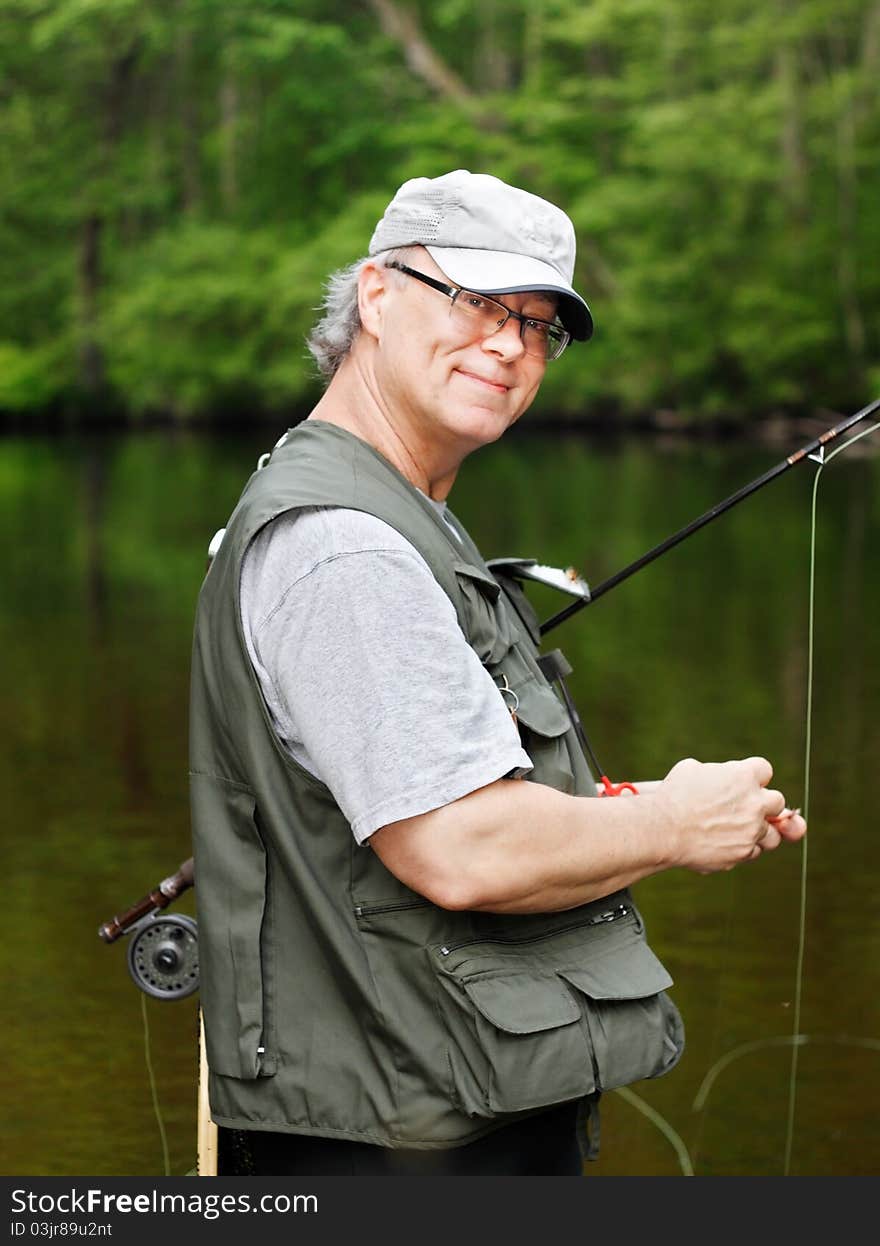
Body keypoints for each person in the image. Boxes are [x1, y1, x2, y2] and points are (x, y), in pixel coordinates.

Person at [188, 169, 806, 1177]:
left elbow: (443, 801)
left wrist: (668, 800)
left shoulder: (399, 514)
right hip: (391, 1150)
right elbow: (460, 848)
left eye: (537, 325)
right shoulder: (350, 550)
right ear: (378, 298)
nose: (511, 345)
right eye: (477, 302)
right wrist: (675, 824)